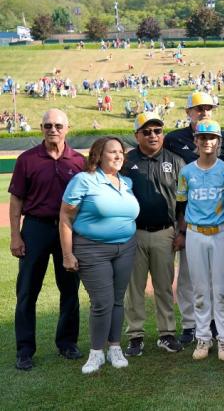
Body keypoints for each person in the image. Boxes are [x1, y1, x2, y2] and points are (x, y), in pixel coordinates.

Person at [9, 108, 85, 371]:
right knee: (28, 291)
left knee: (69, 289)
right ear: (41, 128)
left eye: (58, 125)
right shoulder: (27, 159)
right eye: (48, 125)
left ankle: (67, 343)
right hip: (36, 229)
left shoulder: (78, 161)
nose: (53, 129)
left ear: (67, 128)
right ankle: (25, 349)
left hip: (69, 232)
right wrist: (16, 235)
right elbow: (17, 198)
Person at [59, 136, 140, 374]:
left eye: (120, 152)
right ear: (98, 155)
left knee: (117, 300)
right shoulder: (84, 180)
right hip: (92, 249)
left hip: (125, 247)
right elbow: (65, 217)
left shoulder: (125, 182)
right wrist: (67, 254)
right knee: (102, 302)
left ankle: (115, 347)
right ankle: (96, 352)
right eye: (112, 152)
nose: (118, 156)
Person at [164, 92, 224, 345]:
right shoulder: (172, 139)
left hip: (218, 223)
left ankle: (217, 327)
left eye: (208, 108)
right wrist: (181, 229)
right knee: (189, 279)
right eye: (198, 108)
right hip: (188, 220)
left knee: (219, 281)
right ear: (188, 112)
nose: (204, 111)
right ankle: (191, 325)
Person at [121, 112, 185, 357]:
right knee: (134, 287)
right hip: (133, 233)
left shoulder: (176, 161)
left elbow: (183, 202)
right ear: (137, 135)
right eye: (146, 131)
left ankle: (166, 333)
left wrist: (181, 232)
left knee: (164, 286)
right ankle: (135, 336)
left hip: (165, 233)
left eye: (157, 130)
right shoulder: (126, 161)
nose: (153, 135)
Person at [177, 120, 224, 362]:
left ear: (219, 142)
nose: (207, 142)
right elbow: (181, 204)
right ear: (196, 142)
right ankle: (202, 337)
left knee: (221, 290)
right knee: (200, 289)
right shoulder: (187, 171)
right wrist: (181, 232)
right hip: (195, 234)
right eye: (203, 138)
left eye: (212, 138)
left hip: (220, 233)